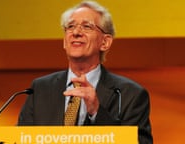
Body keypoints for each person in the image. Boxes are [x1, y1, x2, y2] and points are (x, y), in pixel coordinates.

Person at [17, 1, 153, 143]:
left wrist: (97, 112)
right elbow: (20, 139)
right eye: (70, 26)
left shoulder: (130, 94)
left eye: (87, 26)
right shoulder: (40, 88)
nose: (76, 33)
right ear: (64, 41)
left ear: (105, 42)